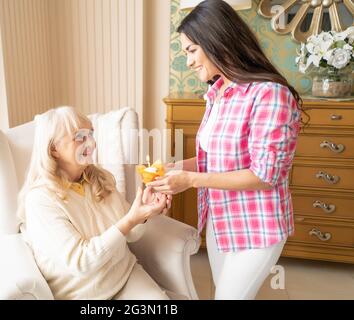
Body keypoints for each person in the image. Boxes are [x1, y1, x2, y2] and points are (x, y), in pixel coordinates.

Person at [148, 0, 303, 300]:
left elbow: (264, 174)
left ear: (216, 40)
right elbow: (212, 159)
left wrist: (191, 181)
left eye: (192, 50)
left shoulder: (271, 95)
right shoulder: (217, 94)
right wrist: (175, 168)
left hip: (259, 227)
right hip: (221, 220)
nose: (189, 61)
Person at [17, 106, 171, 300]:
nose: (92, 143)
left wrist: (144, 213)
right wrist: (131, 219)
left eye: (91, 134)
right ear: (54, 149)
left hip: (124, 277)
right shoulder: (41, 200)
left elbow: (131, 234)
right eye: (80, 137)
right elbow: (81, 262)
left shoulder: (101, 179)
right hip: (83, 295)